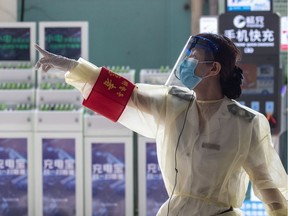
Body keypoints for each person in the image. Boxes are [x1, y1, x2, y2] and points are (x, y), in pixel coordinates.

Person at [34, 33, 288, 216]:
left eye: (194, 57)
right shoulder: (174, 104)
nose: (185, 62)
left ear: (213, 69)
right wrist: (71, 66)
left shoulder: (246, 123)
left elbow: (267, 185)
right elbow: (126, 94)